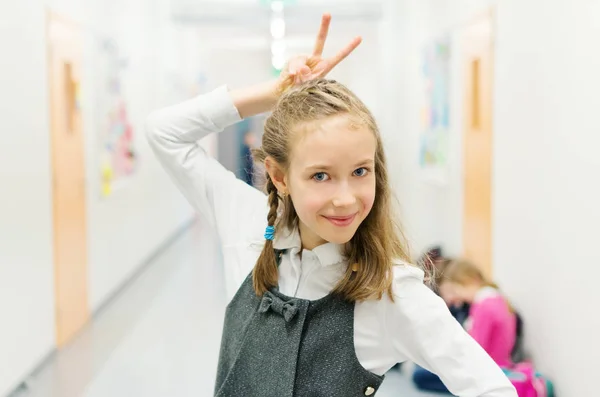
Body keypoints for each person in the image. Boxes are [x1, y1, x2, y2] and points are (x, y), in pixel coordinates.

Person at [146, 13, 516, 397]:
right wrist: (275, 93)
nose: (345, 199)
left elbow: (493, 388)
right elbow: (163, 133)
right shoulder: (248, 224)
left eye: (360, 171)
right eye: (320, 176)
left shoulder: (391, 292)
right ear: (280, 177)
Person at [414, 258, 518, 393]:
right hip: (498, 367)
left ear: (472, 280)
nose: (456, 297)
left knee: (420, 375)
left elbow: (475, 348)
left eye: (456, 289)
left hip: (487, 372)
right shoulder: (495, 300)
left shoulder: (484, 306)